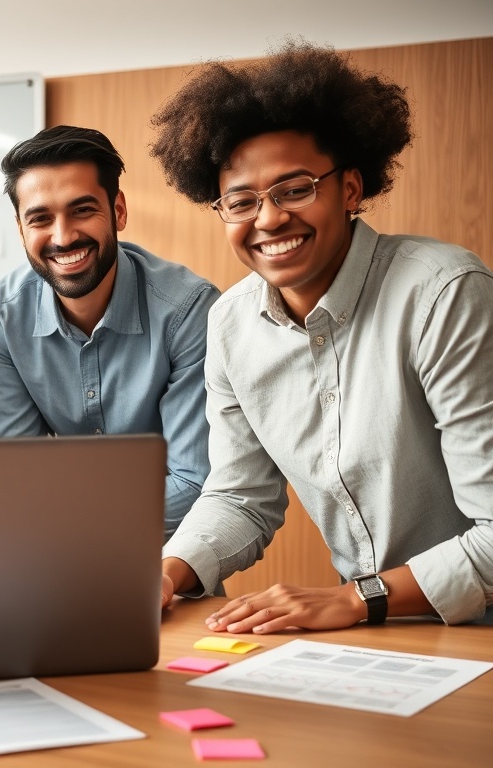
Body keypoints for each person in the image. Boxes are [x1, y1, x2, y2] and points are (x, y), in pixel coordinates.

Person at [151, 41, 493, 630]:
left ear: (351, 189)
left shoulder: (444, 292)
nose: (269, 219)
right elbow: (240, 495)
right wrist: (165, 573)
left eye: (295, 188)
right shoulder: (230, 324)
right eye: (242, 201)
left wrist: (356, 598)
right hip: (375, 631)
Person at [0, 125, 219, 540]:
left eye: (82, 210)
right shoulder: (5, 316)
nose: (63, 236)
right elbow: (21, 472)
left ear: (118, 210)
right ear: (20, 229)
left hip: (172, 554)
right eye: (40, 218)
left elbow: (194, 483)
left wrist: (70, 519)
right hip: (55, 554)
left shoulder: (188, 310)